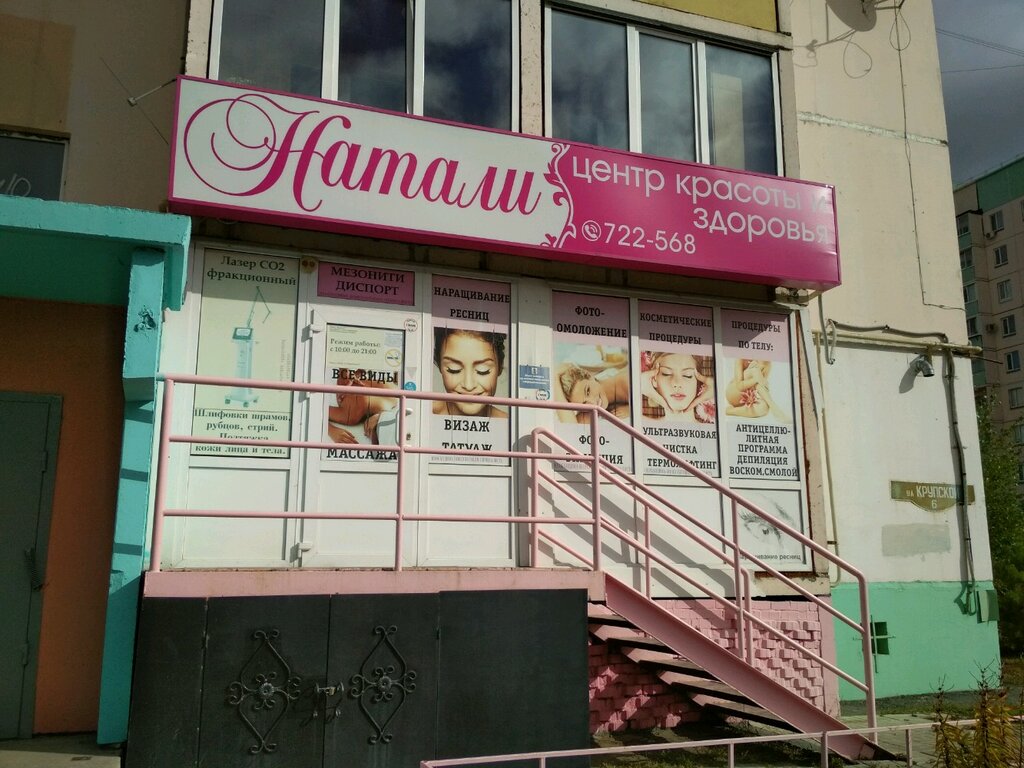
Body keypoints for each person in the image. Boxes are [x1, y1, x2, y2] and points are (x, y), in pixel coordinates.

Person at [432, 328, 508, 418]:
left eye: (483, 370)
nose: (469, 386)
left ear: (500, 366)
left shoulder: (510, 423)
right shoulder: (422, 415)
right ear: (439, 365)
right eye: (454, 369)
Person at [327, 369, 401, 444]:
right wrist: (331, 430)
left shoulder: (394, 396)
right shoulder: (352, 415)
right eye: (374, 439)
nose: (366, 434)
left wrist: (345, 371)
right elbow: (319, 411)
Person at [641, 352, 716, 423]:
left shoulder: (713, 430)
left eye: (687, 375)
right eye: (666, 374)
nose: (677, 383)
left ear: (698, 382)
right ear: (654, 379)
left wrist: (718, 390)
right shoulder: (640, 424)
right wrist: (637, 383)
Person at [555, 360, 630, 423]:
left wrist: (631, 410)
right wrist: (555, 378)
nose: (593, 403)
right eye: (584, 403)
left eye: (588, 391)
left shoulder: (626, 382)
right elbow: (572, 428)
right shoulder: (589, 409)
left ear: (590, 376)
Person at [725, 359, 790, 422]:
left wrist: (760, 374)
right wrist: (756, 378)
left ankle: (730, 411)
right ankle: (776, 410)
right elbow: (739, 386)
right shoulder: (741, 359)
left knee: (764, 408)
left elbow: (762, 387)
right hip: (733, 392)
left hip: (747, 398)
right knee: (755, 370)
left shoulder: (767, 363)